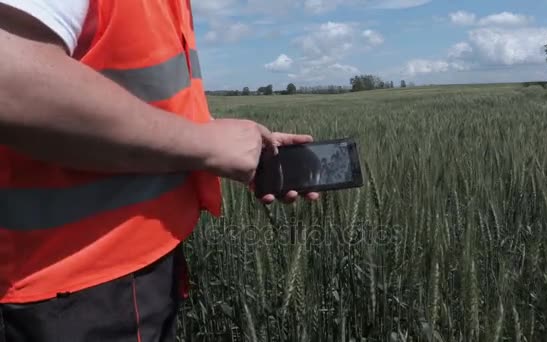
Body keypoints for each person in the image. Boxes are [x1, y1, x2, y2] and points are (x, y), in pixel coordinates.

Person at [0, 1, 319, 341]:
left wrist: (221, 138)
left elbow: (140, 95)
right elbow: (10, 79)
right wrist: (203, 144)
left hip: (128, 273)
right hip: (73, 284)